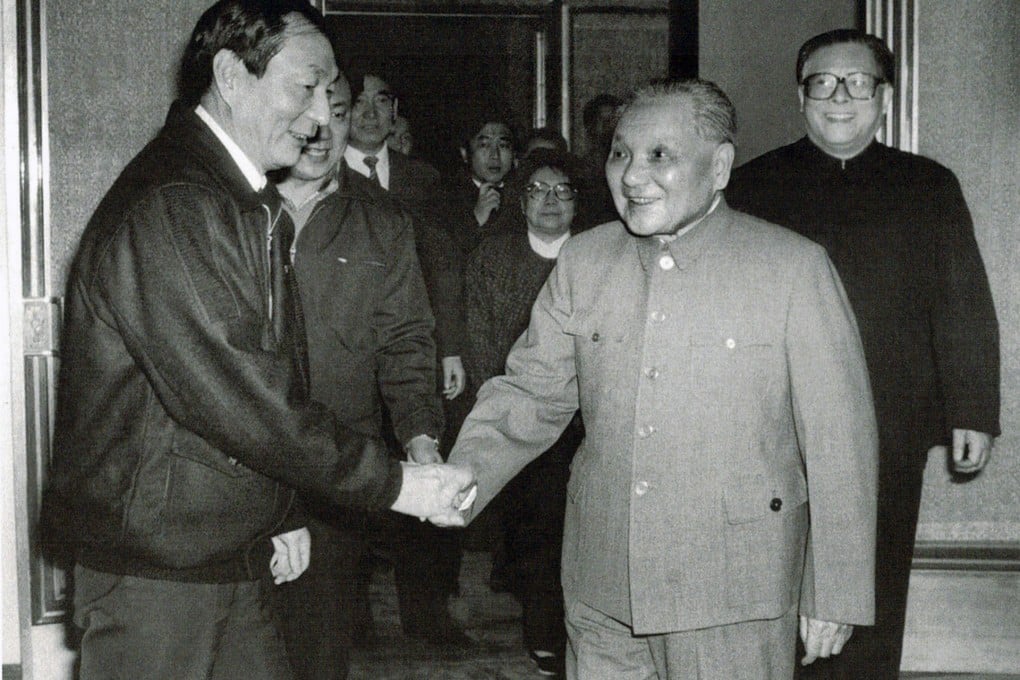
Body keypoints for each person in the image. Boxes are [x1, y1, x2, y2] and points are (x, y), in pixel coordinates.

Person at [40, 3, 472, 679]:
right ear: (231, 75)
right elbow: (241, 394)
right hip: (161, 574)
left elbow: (268, 379)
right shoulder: (178, 202)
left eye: (330, 97)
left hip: (221, 554)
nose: (323, 119)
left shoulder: (236, 198)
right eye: (305, 89)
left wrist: (283, 509)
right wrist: (395, 485)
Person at [445, 79, 879, 679]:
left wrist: (835, 591)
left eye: (660, 156)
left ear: (720, 165)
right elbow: (531, 391)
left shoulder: (792, 268)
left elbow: (842, 445)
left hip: (731, 592)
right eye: (621, 153)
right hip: (601, 584)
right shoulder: (586, 260)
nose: (630, 176)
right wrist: (460, 473)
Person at [726, 29, 1000, 679]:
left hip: (889, 424)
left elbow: (961, 301)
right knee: (776, 583)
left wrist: (974, 408)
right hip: (775, 425)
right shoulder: (750, 187)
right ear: (801, 96)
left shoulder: (929, 186)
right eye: (824, 82)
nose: (841, 96)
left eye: (858, 83)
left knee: (873, 590)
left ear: (883, 96)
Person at [272, 72, 446, 678]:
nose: (322, 129)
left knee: (322, 648)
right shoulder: (237, 207)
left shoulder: (382, 218)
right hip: (244, 461)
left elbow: (406, 338)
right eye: (309, 111)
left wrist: (421, 436)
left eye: (339, 113)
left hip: (338, 464)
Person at [343, 69, 472, 645]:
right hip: (349, 355)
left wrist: (451, 347)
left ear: (396, 112)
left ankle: (428, 613)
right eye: (359, 101)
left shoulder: (424, 179)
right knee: (353, 482)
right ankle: (354, 617)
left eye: (382, 101)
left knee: (426, 467)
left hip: (414, 351)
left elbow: (444, 268)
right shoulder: (320, 173)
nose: (370, 112)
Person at [463, 149, 589, 677]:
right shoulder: (493, 257)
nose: (551, 201)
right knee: (537, 532)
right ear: (521, 201)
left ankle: (580, 634)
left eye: (562, 191)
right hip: (522, 413)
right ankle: (544, 633)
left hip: (585, 421)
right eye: (539, 190)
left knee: (577, 532)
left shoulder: (597, 256)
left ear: (578, 201)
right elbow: (482, 340)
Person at [445, 110, 518, 255]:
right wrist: (476, 219)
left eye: (503, 146)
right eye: (484, 145)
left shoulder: (523, 194)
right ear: (465, 154)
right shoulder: (445, 197)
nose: (495, 156)